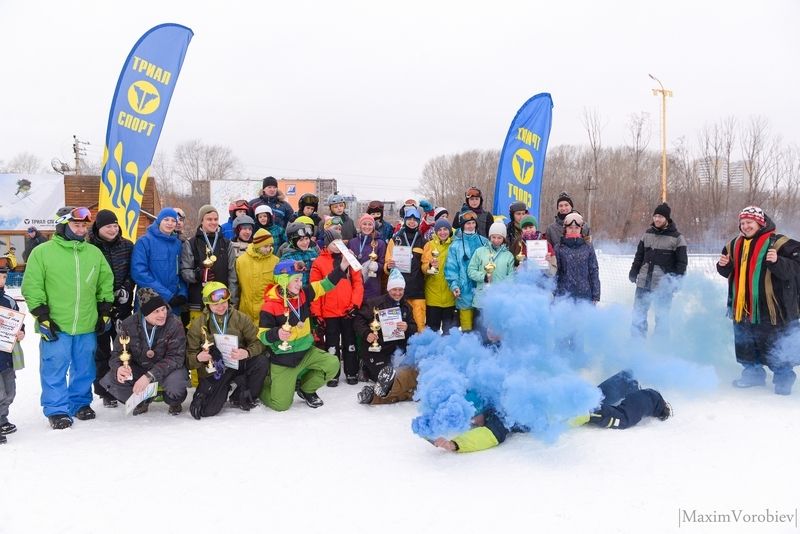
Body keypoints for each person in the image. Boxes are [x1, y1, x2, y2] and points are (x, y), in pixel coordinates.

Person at [21, 206, 114, 429]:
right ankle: (57, 410)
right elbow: (32, 286)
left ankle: (80, 403)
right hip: (56, 324)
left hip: (86, 323)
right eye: (76, 225)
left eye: (84, 226)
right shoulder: (42, 252)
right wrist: (42, 316)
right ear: (63, 226)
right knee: (54, 366)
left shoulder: (93, 253)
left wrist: (104, 312)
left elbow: (105, 283)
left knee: (85, 367)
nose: (81, 230)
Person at [432, 370, 671, 453]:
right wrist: (458, 442)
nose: (474, 422)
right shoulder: (500, 401)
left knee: (622, 418)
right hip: (571, 394)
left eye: (472, 417)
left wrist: (456, 445)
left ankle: (654, 399)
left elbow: (489, 437)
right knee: (596, 394)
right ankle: (626, 379)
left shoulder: (499, 416)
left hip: (575, 409)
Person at [716, 206, 800, 395]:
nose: (745, 226)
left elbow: (796, 268)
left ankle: (783, 379)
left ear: (760, 223)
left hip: (773, 307)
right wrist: (723, 266)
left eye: (749, 222)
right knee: (745, 342)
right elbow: (727, 270)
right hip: (741, 305)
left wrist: (779, 262)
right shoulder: (733, 244)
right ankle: (752, 374)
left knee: (776, 343)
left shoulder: (780, 243)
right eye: (743, 223)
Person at [257, 258, 348, 410]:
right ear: (284, 281)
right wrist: (277, 333)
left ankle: (306, 389)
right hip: (284, 359)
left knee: (333, 364)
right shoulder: (269, 306)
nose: (300, 284)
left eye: (301, 280)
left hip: (306, 352)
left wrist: (343, 266)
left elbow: (325, 285)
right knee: (281, 405)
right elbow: (262, 335)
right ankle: (261, 387)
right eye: (296, 280)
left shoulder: (303, 294)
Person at [99, 288, 189, 415]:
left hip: (168, 369)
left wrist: (149, 376)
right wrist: (119, 368)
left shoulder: (174, 323)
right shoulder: (128, 324)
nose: (162, 314)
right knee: (112, 378)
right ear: (146, 314)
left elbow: (176, 358)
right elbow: (117, 354)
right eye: (156, 311)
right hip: (140, 368)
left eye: (163, 309)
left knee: (176, 385)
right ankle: (142, 401)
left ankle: (173, 402)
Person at [186, 282, 268, 418]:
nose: (221, 306)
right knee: (207, 411)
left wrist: (246, 352)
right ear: (207, 304)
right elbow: (189, 357)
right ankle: (221, 389)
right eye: (215, 304)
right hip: (215, 371)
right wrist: (198, 358)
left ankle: (240, 395)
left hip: (236, 363)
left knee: (261, 361)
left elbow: (259, 342)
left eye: (224, 302)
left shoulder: (240, 318)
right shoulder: (198, 324)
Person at [87, 209, 134, 408]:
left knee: (123, 348)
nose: (113, 229)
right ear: (99, 227)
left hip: (122, 305)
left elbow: (133, 271)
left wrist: (126, 288)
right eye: (108, 226)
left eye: (115, 225)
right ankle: (104, 390)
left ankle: (123, 385)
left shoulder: (127, 245)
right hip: (98, 306)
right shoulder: (89, 247)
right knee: (102, 350)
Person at [354, 268, 418, 404]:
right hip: (377, 350)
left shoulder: (406, 307)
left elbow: (414, 328)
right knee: (385, 378)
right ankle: (366, 367)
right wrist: (367, 334)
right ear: (388, 289)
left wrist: (407, 327)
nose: (397, 293)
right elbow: (358, 320)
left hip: (396, 350)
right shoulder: (374, 303)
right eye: (394, 289)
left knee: (403, 375)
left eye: (400, 289)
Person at [310, 230, 364, 386]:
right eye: (334, 243)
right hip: (329, 311)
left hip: (347, 309)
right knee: (332, 344)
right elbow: (316, 289)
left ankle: (351, 371)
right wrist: (317, 313)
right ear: (327, 244)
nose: (337, 246)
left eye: (340, 242)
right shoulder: (319, 262)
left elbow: (358, 283)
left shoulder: (349, 258)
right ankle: (332, 373)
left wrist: (355, 304)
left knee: (350, 342)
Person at [628, 203, 688, 338]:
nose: (657, 219)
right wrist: (634, 270)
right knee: (638, 314)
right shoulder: (647, 234)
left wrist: (676, 282)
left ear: (667, 218)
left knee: (662, 317)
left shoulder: (677, 238)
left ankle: (660, 346)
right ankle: (637, 342)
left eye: (660, 216)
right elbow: (639, 256)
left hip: (663, 286)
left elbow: (682, 264)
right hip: (643, 283)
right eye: (655, 216)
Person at [181, 204, 238, 323]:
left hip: (222, 301)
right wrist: (197, 275)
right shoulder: (191, 243)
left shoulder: (226, 244)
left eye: (216, 219)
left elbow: (232, 273)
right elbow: (185, 271)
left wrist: (232, 299)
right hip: (198, 300)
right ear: (201, 221)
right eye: (209, 219)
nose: (213, 222)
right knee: (199, 336)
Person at [131, 207, 187, 316]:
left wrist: (182, 293)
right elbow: (139, 273)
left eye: (173, 221)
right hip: (150, 301)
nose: (170, 223)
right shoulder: (144, 242)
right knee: (148, 332)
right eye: (166, 219)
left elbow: (180, 271)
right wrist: (167, 295)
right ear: (159, 220)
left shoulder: (177, 244)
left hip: (173, 304)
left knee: (170, 332)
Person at [444, 211, 489, 332]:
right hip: (464, 292)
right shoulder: (455, 245)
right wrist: (454, 285)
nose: (471, 226)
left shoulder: (484, 242)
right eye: (468, 223)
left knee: (481, 327)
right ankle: (467, 348)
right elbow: (451, 268)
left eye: (473, 223)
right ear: (462, 225)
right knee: (467, 329)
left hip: (482, 289)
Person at [384, 206, 428, 331]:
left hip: (417, 291)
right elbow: (387, 263)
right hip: (398, 292)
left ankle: (417, 350)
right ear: (405, 220)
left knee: (418, 326)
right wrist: (388, 266)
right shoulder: (395, 240)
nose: (412, 221)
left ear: (419, 222)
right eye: (409, 218)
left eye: (415, 219)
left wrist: (430, 266)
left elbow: (425, 266)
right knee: (398, 328)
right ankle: (399, 351)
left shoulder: (424, 242)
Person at [467, 221, 516, 330]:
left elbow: (511, 276)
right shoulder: (480, 252)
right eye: (493, 237)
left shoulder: (508, 256)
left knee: (496, 335)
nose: (496, 240)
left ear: (504, 238)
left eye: (499, 238)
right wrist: (483, 277)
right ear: (489, 237)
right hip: (481, 300)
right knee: (479, 334)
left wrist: (501, 288)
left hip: (499, 301)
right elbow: (471, 270)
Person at [0, 260, 25, 444]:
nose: (2, 279)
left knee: (9, 392)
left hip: (6, 355)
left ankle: (2, 419)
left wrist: (20, 331)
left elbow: (16, 321)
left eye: (3, 276)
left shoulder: (8, 300)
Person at [236, 229, 279, 325]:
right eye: (265, 246)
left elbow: (278, 287)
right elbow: (237, 287)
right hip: (246, 313)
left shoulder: (275, 261)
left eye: (270, 246)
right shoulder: (241, 261)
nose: (269, 249)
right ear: (257, 245)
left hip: (267, 313)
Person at [554, 212, 600, 304]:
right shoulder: (559, 248)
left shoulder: (588, 247)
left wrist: (596, 295)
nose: (573, 230)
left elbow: (593, 270)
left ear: (581, 229)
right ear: (565, 229)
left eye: (577, 228)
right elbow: (556, 272)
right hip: (564, 296)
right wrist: (554, 294)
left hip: (585, 296)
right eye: (570, 228)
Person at [422, 218, 457, 333]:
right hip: (433, 296)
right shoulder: (429, 245)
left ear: (450, 230)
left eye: (445, 229)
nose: (443, 232)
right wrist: (429, 266)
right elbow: (423, 267)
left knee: (449, 333)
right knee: (432, 331)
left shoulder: (454, 245)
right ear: (436, 232)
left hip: (450, 297)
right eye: (440, 230)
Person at [348, 214, 386, 301]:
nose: (367, 227)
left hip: (372, 285)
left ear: (373, 226)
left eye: (370, 224)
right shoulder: (352, 242)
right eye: (364, 224)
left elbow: (383, 264)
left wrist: (377, 266)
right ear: (360, 225)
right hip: (355, 284)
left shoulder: (380, 243)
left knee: (370, 312)